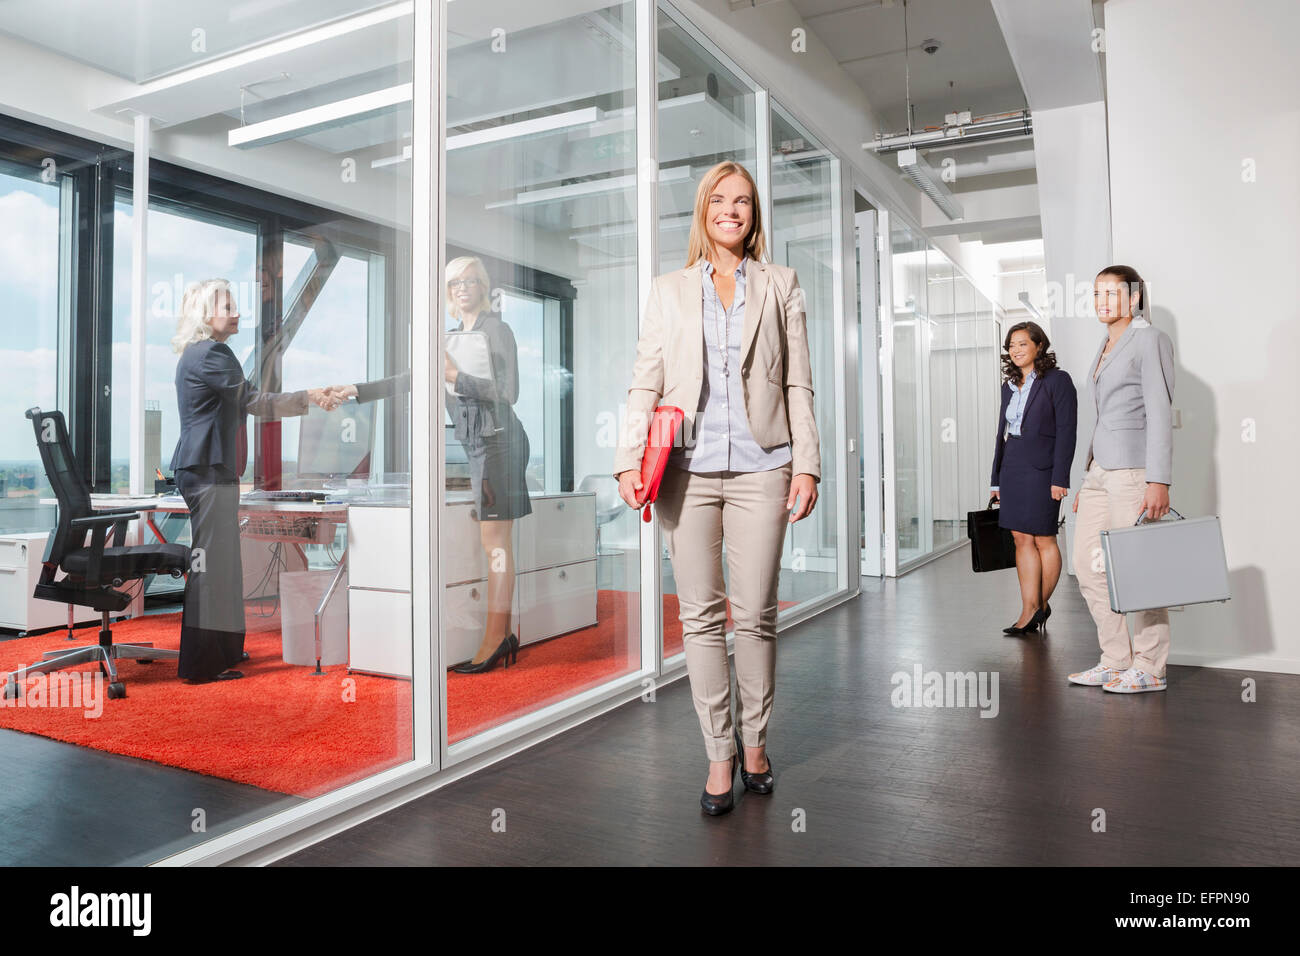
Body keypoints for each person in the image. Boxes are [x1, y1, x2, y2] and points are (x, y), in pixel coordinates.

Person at [613, 160, 820, 815]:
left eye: (744, 203)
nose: (732, 210)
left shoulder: (781, 284)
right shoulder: (668, 291)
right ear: (704, 210)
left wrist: (808, 463)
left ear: (754, 217)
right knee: (700, 620)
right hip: (686, 471)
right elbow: (645, 380)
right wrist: (626, 458)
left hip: (764, 467)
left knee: (756, 614)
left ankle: (757, 743)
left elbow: (797, 383)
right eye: (721, 200)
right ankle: (720, 754)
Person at [331, 256, 531, 674]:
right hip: (477, 444)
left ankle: (496, 636)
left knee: (495, 544)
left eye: (471, 280)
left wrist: (456, 377)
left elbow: (508, 391)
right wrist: (357, 389)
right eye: (454, 282)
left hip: (500, 443)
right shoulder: (452, 336)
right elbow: (412, 377)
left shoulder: (498, 330)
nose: (462, 287)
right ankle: (504, 630)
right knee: (492, 543)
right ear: (447, 292)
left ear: (483, 285)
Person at [169, 279, 338, 684]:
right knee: (210, 566)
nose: (237, 311)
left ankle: (224, 650)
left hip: (211, 470)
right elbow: (253, 400)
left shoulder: (202, 353)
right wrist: (310, 397)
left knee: (224, 564)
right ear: (206, 314)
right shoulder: (211, 353)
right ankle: (199, 666)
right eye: (227, 305)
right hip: (206, 470)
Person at [1068, 264, 1175, 693]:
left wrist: (1159, 480)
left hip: (1134, 472)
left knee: (1139, 569)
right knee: (1087, 565)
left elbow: (1160, 412)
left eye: (1112, 293)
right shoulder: (1105, 345)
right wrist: (1088, 476)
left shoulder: (1149, 340)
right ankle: (1116, 659)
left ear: (1134, 298)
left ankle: (1150, 666)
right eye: (1096, 294)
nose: (1102, 301)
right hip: (1100, 471)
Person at [989, 321, 1077, 635]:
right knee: (1020, 539)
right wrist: (995, 479)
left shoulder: (1058, 381)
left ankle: (1038, 605)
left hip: (1043, 470)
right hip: (1012, 466)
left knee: (1043, 538)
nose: (1015, 350)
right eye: (1011, 345)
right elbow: (1002, 434)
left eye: (1022, 343)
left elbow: (1067, 431)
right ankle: (1029, 608)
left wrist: (1060, 477)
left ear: (1039, 345)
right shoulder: (1008, 385)